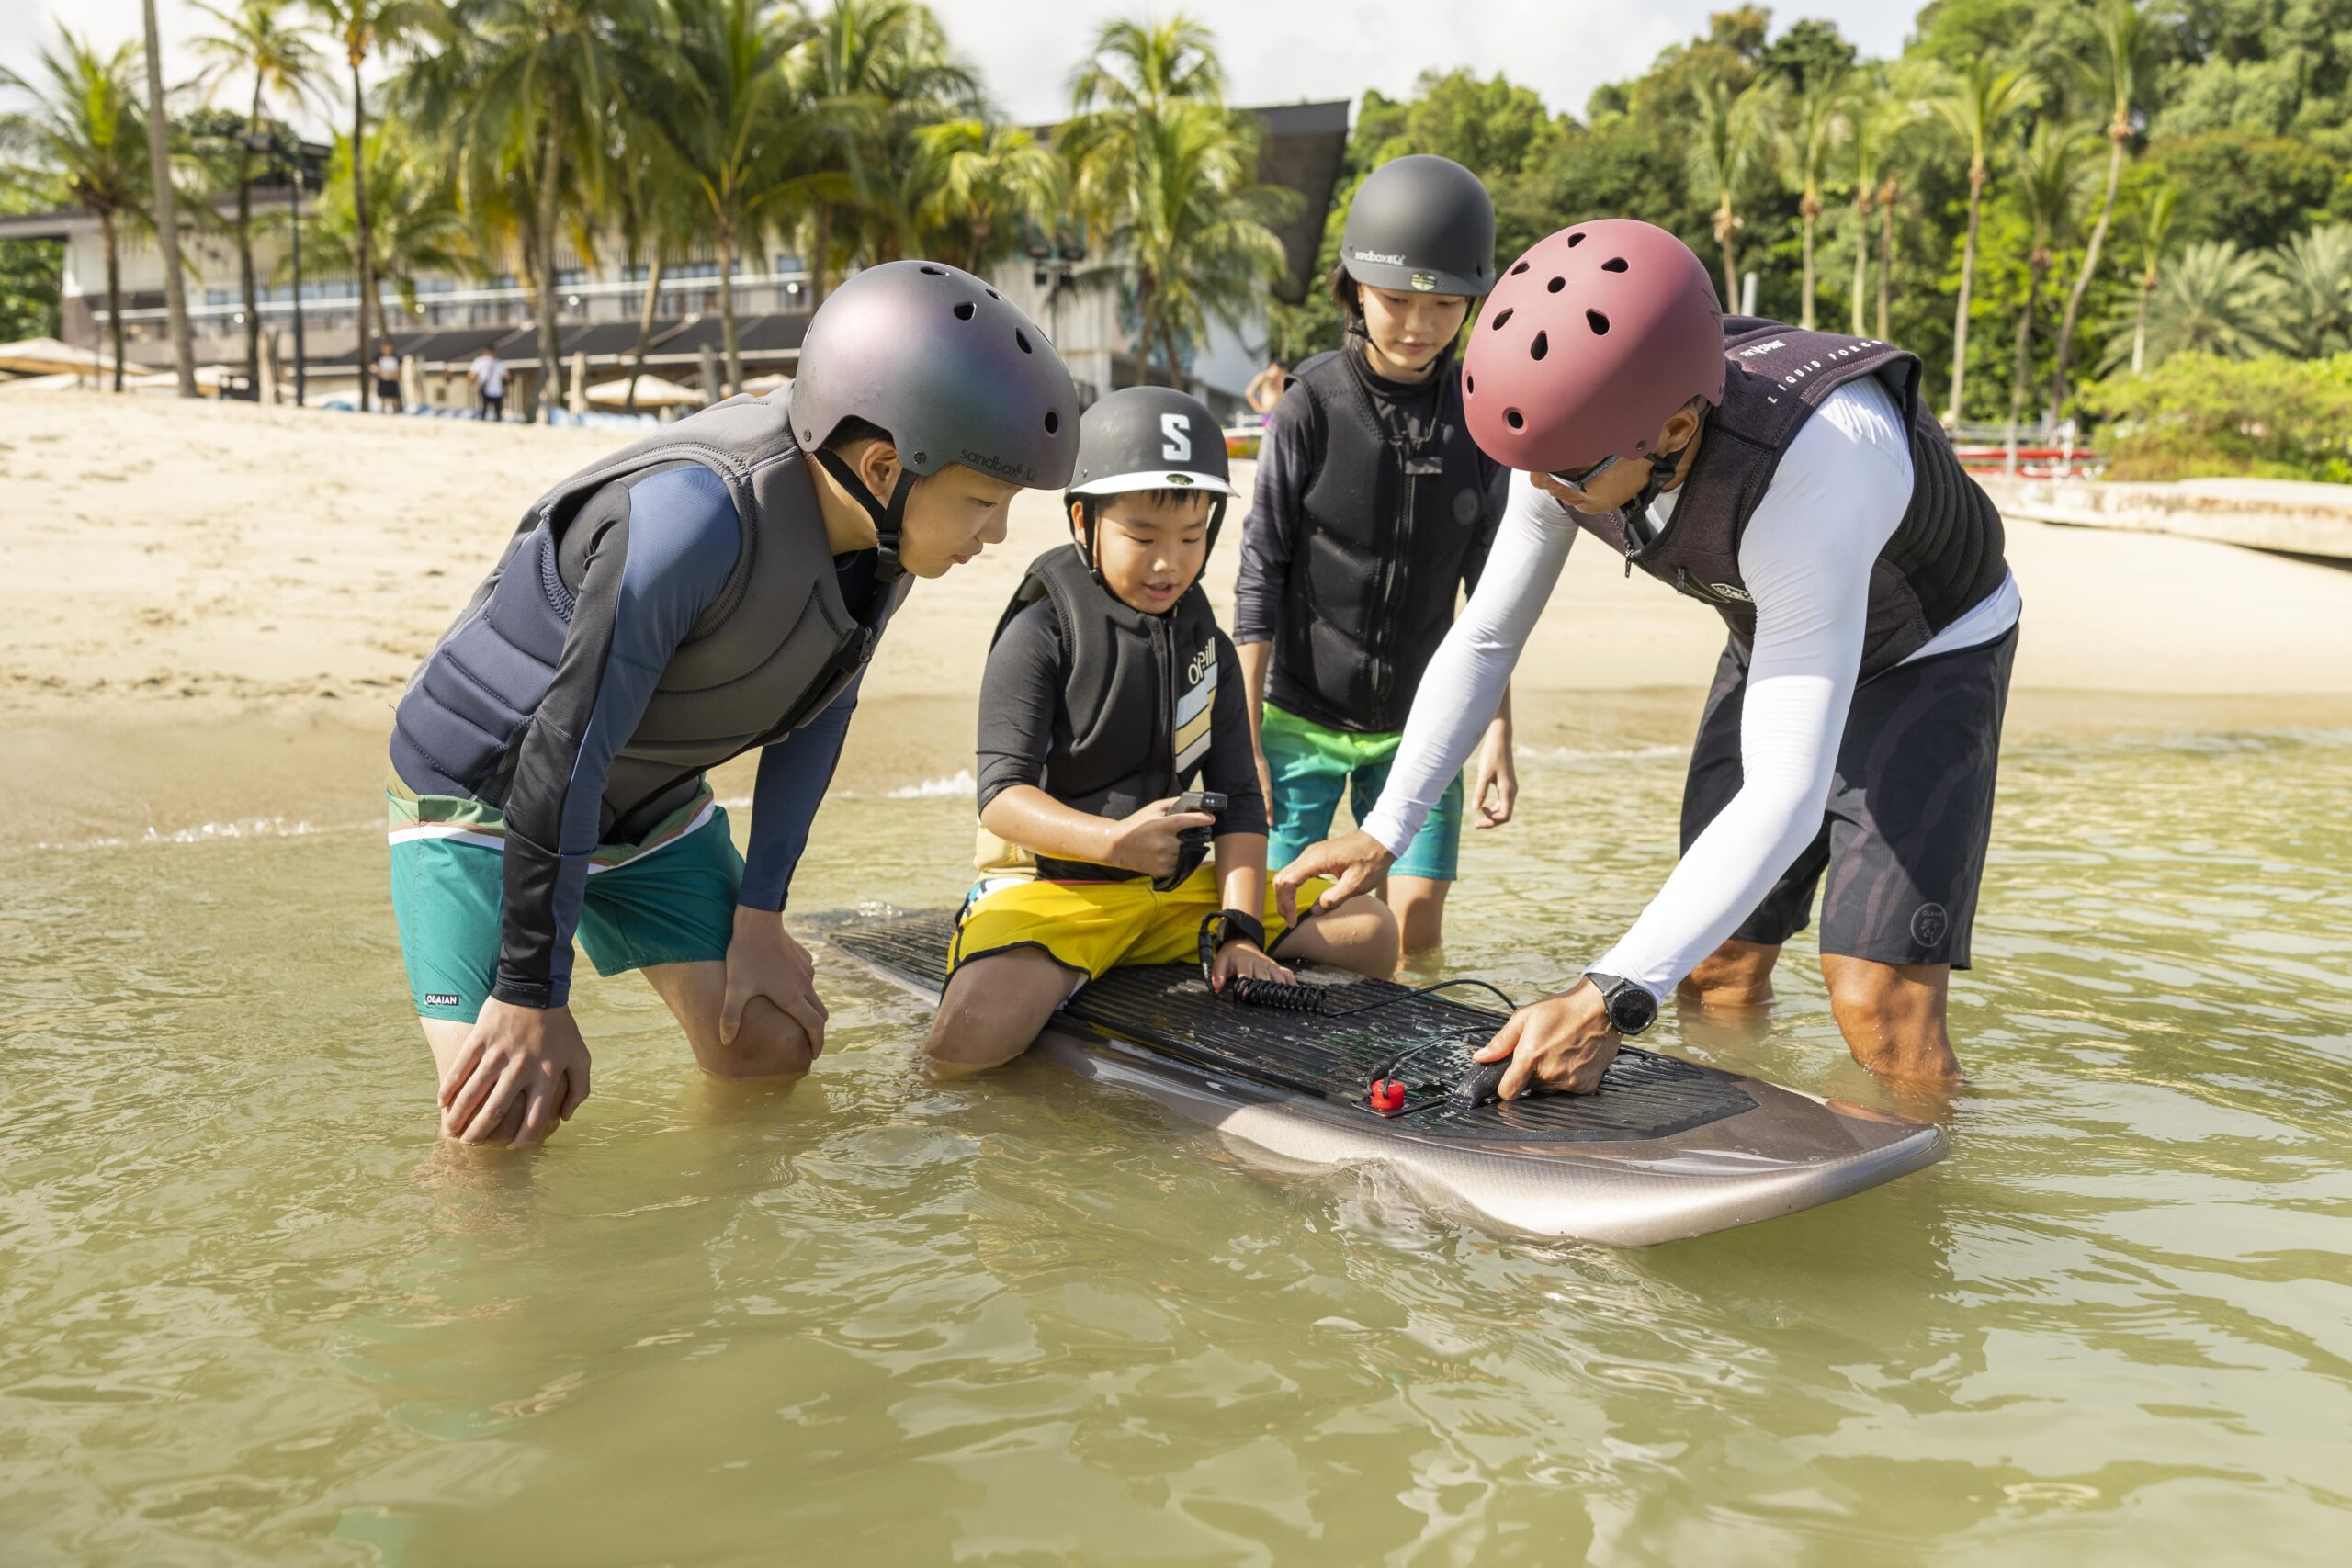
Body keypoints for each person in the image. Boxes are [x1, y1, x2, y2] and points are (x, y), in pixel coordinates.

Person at [1280, 220, 2021, 1098]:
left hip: (1926, 652)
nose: (1546, 492)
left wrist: (1608, 998)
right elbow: (1486, 634)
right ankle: (1740, 1132)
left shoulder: (1816, 469)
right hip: (1778, 630)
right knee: (1717, 963)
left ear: (1672, 429)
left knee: (1875, 1002)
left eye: (1569, 475)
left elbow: (1784, 796)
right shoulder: (1574, 427)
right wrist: (1386, 829)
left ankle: (1927, 1201)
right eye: (1532, 468)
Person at [388, 260, 1082, 1145]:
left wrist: (762, 914)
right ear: (882, 466)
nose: (996, 535)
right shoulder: (693, 518)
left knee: (770, 1043)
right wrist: (531, 991)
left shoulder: (884, 545)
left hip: (642, 799)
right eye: (985, 501)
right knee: (502, 1115)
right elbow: (563, 750)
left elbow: (819, 711)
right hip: (485, 791)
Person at [922, 387, 1398, 1071]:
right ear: (1083, 520)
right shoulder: (1040, 633)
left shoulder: (1210, 648)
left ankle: (1146, 965)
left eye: (1191, 536)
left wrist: (1237, 931)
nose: (1169, 562)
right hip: (1060, 895)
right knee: (969, 1037)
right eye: (1142, 537)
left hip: (1174, 901)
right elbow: (1001, 795)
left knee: (1372, 930)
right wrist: (1112, 843)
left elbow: (1237, 797)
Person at [1233, 153, 1515, 954]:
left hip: (1425, 724)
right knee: (1283, 921)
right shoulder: (1309, 406)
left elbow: (1494, 593)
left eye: (1444, 304)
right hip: (1298, 716)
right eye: (1396, 300)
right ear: (1354, 287)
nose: (1418, 325)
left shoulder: (1481, 418)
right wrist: (1245, 730)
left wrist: (1497, 732)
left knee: (1415, 939)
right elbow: (1261, 573)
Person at [469, 345, 507, 422]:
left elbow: (471, 375)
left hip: (485, 389)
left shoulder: (479, 361)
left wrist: (474, 384)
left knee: (484, 410)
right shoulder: (498, 363)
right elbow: (507, 376)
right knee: (497, 412)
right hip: (497, 391)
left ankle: (483, 423)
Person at [372, 340, 402, 413]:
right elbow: (377, 370)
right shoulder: (378, 359)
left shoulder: (396, 358)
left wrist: (391, 375)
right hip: (383, 381)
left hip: (393, 380)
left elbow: (398, 371)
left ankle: (395, 413)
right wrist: (384, 374)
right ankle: (383, 413)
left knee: (394, 399)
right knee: (383, 398)